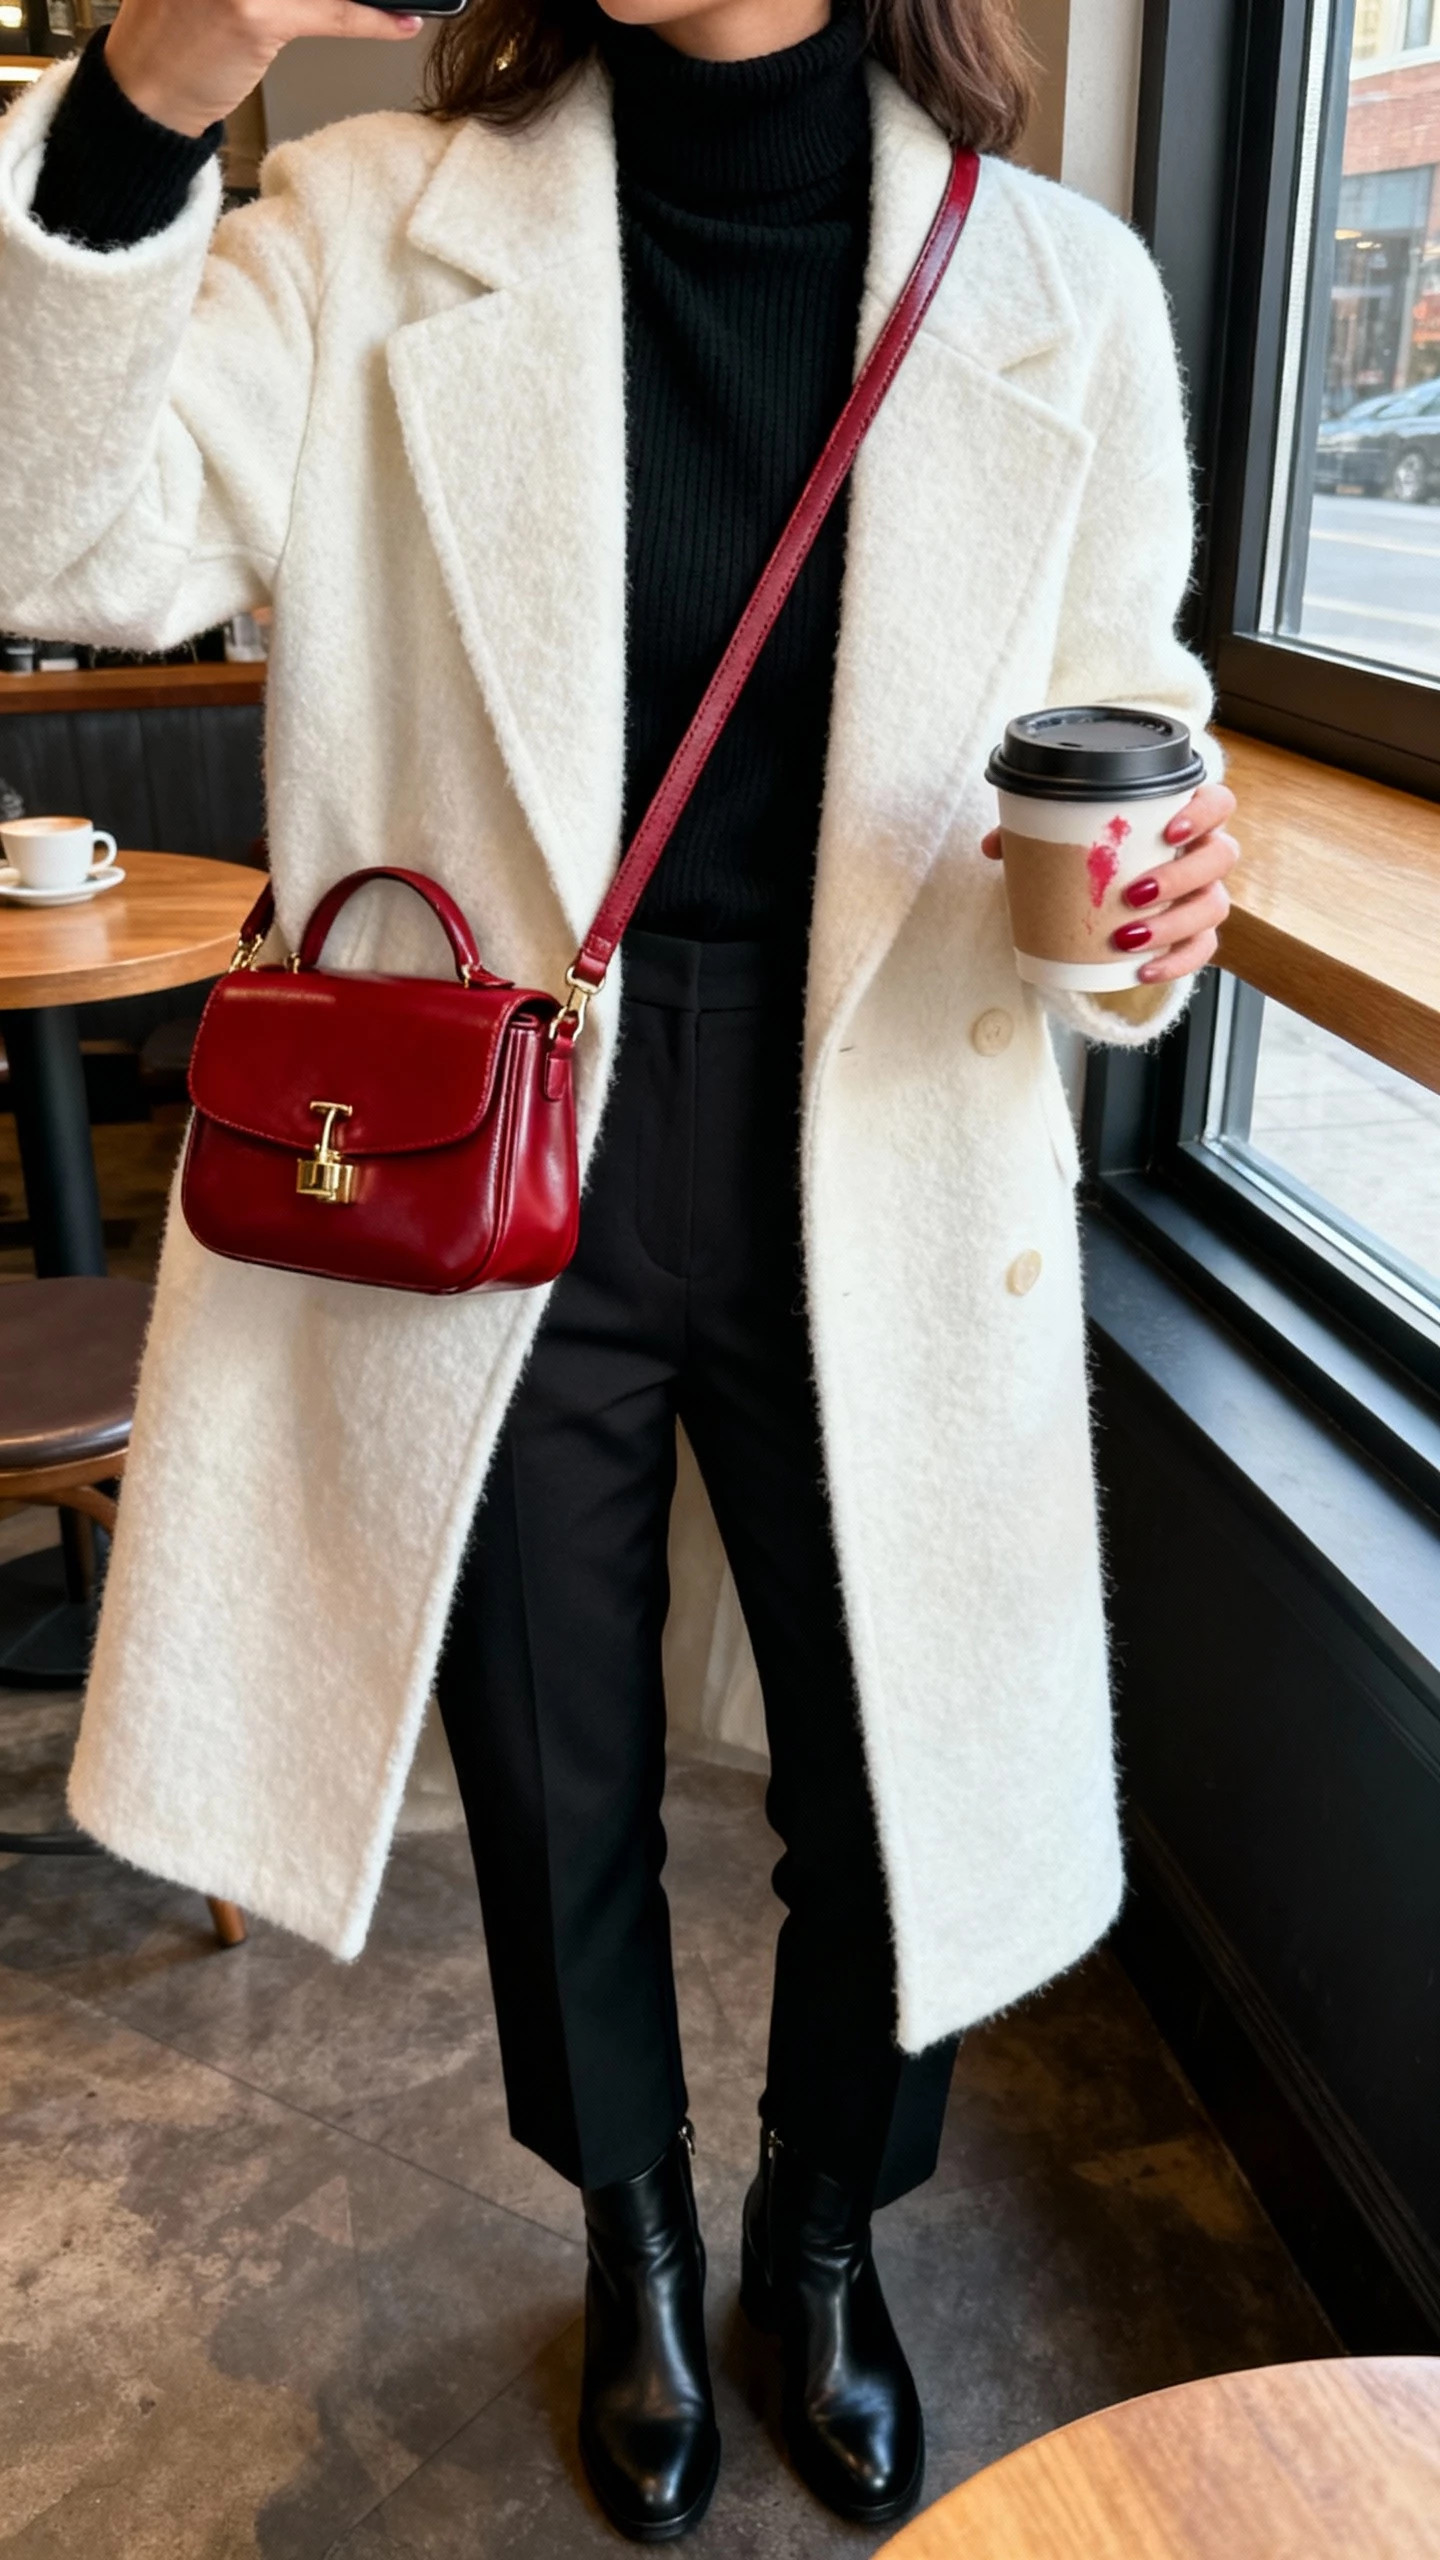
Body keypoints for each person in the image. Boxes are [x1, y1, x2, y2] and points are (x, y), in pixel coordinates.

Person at [0, 0, 1237, 2537]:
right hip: (498, 1119)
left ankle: (821, 2227)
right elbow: (51, 535)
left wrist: (1160, 906)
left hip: (882, 1131)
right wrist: (149, 80)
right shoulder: (364, 234)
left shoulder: (1070, 287)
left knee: (893, 1766)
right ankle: (641, 2230)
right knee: (557, 1765)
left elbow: (1130, 736)